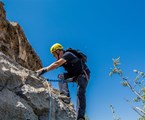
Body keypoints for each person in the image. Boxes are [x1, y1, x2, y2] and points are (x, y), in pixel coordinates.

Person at [36, 43, 90, 120]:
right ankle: (65, 96)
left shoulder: (68, 54)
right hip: (74, 76)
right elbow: (55, 65)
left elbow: (56, 64)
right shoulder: (63, 60)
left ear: (59, 51)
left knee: (80, 93)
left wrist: (43, 70)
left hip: (83, 75)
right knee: (61, 76)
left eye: (54, 54)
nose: (55, 57)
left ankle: (80, 117)